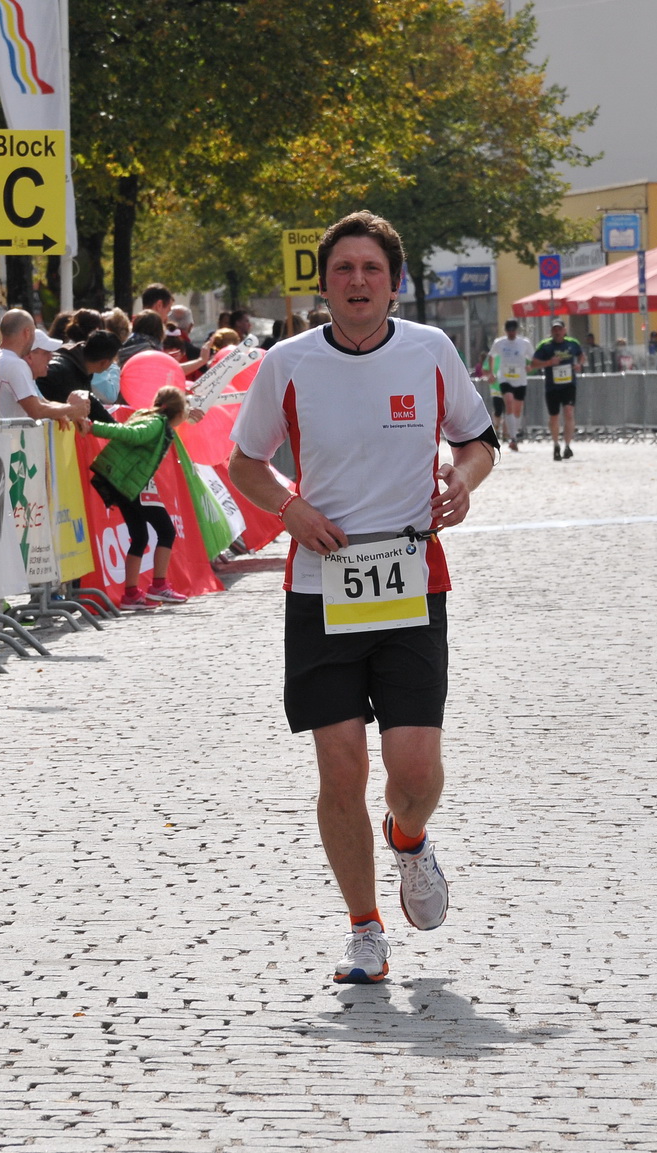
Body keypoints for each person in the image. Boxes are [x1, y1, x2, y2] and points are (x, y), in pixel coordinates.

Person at [227, 211, 496, 985]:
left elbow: (478, 442)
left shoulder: (429, 351)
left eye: (370, 269)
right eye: (342, 269)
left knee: (414, 772)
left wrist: (461, 481)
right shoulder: (288, 363)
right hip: (320, 587)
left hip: (411, 579)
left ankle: (408, 840)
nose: (356, 282)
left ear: (394, 281)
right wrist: (289, 508)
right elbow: (245, 462)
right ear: (323, 282)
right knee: (339, 768)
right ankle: (364, 928)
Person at [84, 385, 192, 609]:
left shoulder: (146, 416)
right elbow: (131, 435)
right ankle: (159, 585)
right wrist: (93, 428)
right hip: (133, 483)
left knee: (140, 536)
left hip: (125, 483)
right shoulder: (156, 424)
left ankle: (131, 594)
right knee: (166, 531)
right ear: (178, 412)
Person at [39, 329, 122, 425]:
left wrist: (118, 430)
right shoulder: (61, 370)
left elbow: (91, 403)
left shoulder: (77, 364)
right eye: (113, 361)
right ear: (104, 362)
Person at [530, 320, 583, 461]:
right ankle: (556, 444)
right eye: (555, 330)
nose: (557, 332)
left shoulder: (572, 343)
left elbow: (582, 356)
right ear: (551, 331)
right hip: (552, 386)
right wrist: (548, 363)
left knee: (569, 412)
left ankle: (567, 445)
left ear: (564, 330)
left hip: (569, 384)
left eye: (559, 329)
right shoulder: (545, 346)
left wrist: (579, 364)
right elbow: (533, 363)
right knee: (554, 416)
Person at [488, 319, 533, 452]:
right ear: (506, 330)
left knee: (518, 409)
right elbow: (491, 355)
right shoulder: (499, 343)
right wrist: (491, 373)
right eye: (509, 330)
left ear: (517, 330)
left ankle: (515, 433)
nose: (511, 333)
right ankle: (512, 438)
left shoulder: (524, 343)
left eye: (513, 330)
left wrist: (531, 366)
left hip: (520, 379)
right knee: (508, 402)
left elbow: (533, 357)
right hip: (505, 378)